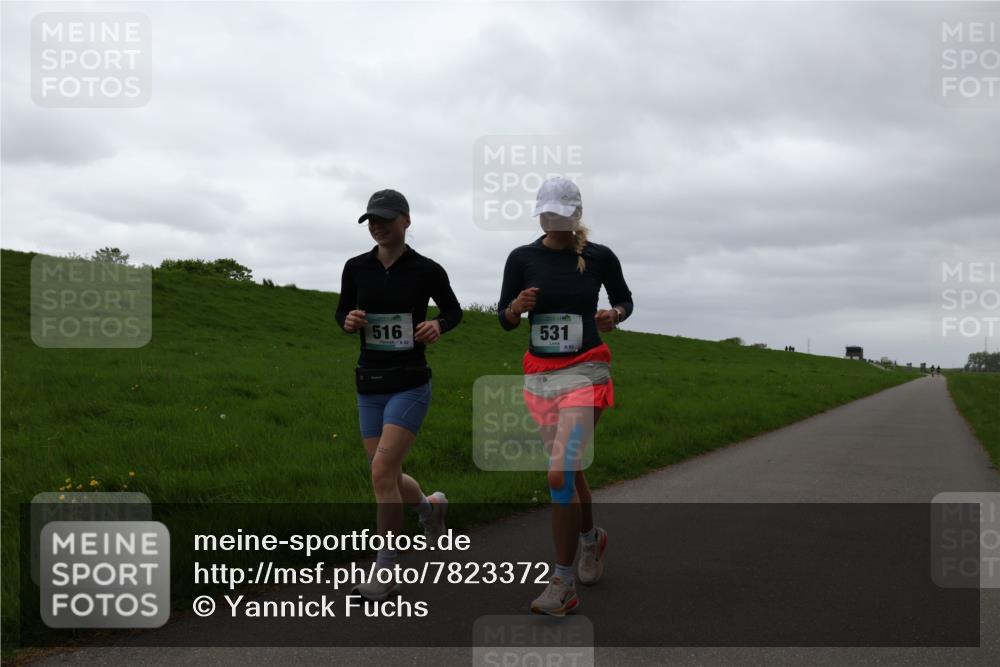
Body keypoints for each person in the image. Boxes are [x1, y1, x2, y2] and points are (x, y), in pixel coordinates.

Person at [497, 176, 634, 616]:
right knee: (570, 474)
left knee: (558, 474)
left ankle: (562, 582)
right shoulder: (522, 257)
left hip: (586, 371)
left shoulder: (598, 256)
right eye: (546, 213)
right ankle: (591, 540)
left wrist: (614, 314)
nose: (552, 221)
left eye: (560, 213)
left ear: (575, 214)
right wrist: (515, 308)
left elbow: (625, 300)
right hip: (540, 376)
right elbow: (504, 318)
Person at [335, 188, 463, 601]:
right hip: (370, 382)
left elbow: (454, 311)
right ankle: (430, 508)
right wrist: (349, 321)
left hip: (410, 381)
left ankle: (385, 570)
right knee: (385, 472)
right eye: (372, 220)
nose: (378, 226)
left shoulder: (427, 270)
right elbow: (341, 311)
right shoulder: (356, 267)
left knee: (380, 473)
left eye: (386, 219)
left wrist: (438, 324)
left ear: (406, 221)